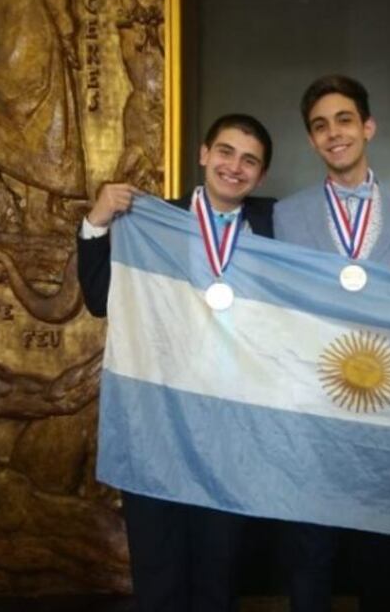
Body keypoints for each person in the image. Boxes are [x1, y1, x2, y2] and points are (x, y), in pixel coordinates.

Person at [76, 113, 275, 612]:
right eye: (225, 152)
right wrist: (96, 222)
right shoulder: (150, 222)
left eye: (249, 160)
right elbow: (102, 299)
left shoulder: (278, 227)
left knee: (218, 571)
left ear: (261, 176)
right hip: (156, 427)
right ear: (203, 154)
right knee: (159, 571)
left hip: (232, 430)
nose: (235, 166)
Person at [273, 74, 390, 612]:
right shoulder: (286, 214)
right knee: (309, 552)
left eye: (343, 120)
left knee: (380, 556)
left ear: (368, 126)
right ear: (312, 141)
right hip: (314, 404)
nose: (333, 134)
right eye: (320, 126)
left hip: (388, 402)